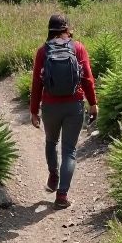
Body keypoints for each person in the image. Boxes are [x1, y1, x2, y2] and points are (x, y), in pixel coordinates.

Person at [30, 13, 97, 208]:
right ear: (67, 29)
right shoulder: (78, 48)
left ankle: (53, 175)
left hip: (50, 106)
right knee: (69, 151)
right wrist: (93, 103)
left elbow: (36, 83)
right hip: (74, 105)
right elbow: (87, 79)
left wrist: (34, 110)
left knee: (51, 141)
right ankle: (62, 196)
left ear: (49, 30)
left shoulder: (43, 52)